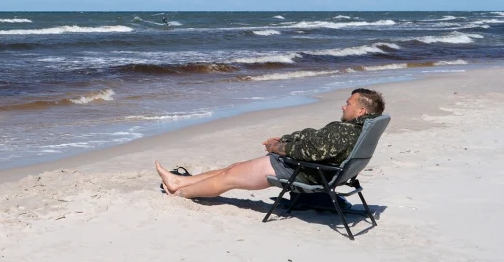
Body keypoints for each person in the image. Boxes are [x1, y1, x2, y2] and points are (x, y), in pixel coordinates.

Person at [156, 87, 385, 198]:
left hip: (302, 171)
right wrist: (287, 139)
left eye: (348, 104)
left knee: (230, 177)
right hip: (311, 168)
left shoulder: (344, 133)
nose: (343, 106)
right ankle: (179, 180)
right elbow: (314, 139)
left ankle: (179, 193)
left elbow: (311, 152)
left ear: (361, 110)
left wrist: (278, 148)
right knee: (234, 167)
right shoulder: (354, 129)